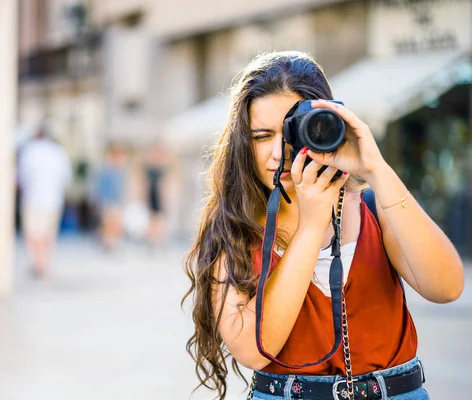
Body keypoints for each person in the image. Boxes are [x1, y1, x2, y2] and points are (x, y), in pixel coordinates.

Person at [182, 51, 464, 400]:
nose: (277, 153)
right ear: (243, 144)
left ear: (325, 126)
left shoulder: (375, 210)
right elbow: (254, 350)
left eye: (290, 132)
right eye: (260, 136)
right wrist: (312, 227)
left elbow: (447, 288)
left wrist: (377, 169)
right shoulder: (235, 231)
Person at [17, 124, 72, 278]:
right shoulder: (58, 152)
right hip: (53, 199)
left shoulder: (29, 151)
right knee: (48, 234)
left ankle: (37, 262)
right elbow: (66, 177)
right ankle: (44, 263)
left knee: (33, 233)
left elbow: (21, 176)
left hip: (32, 199)